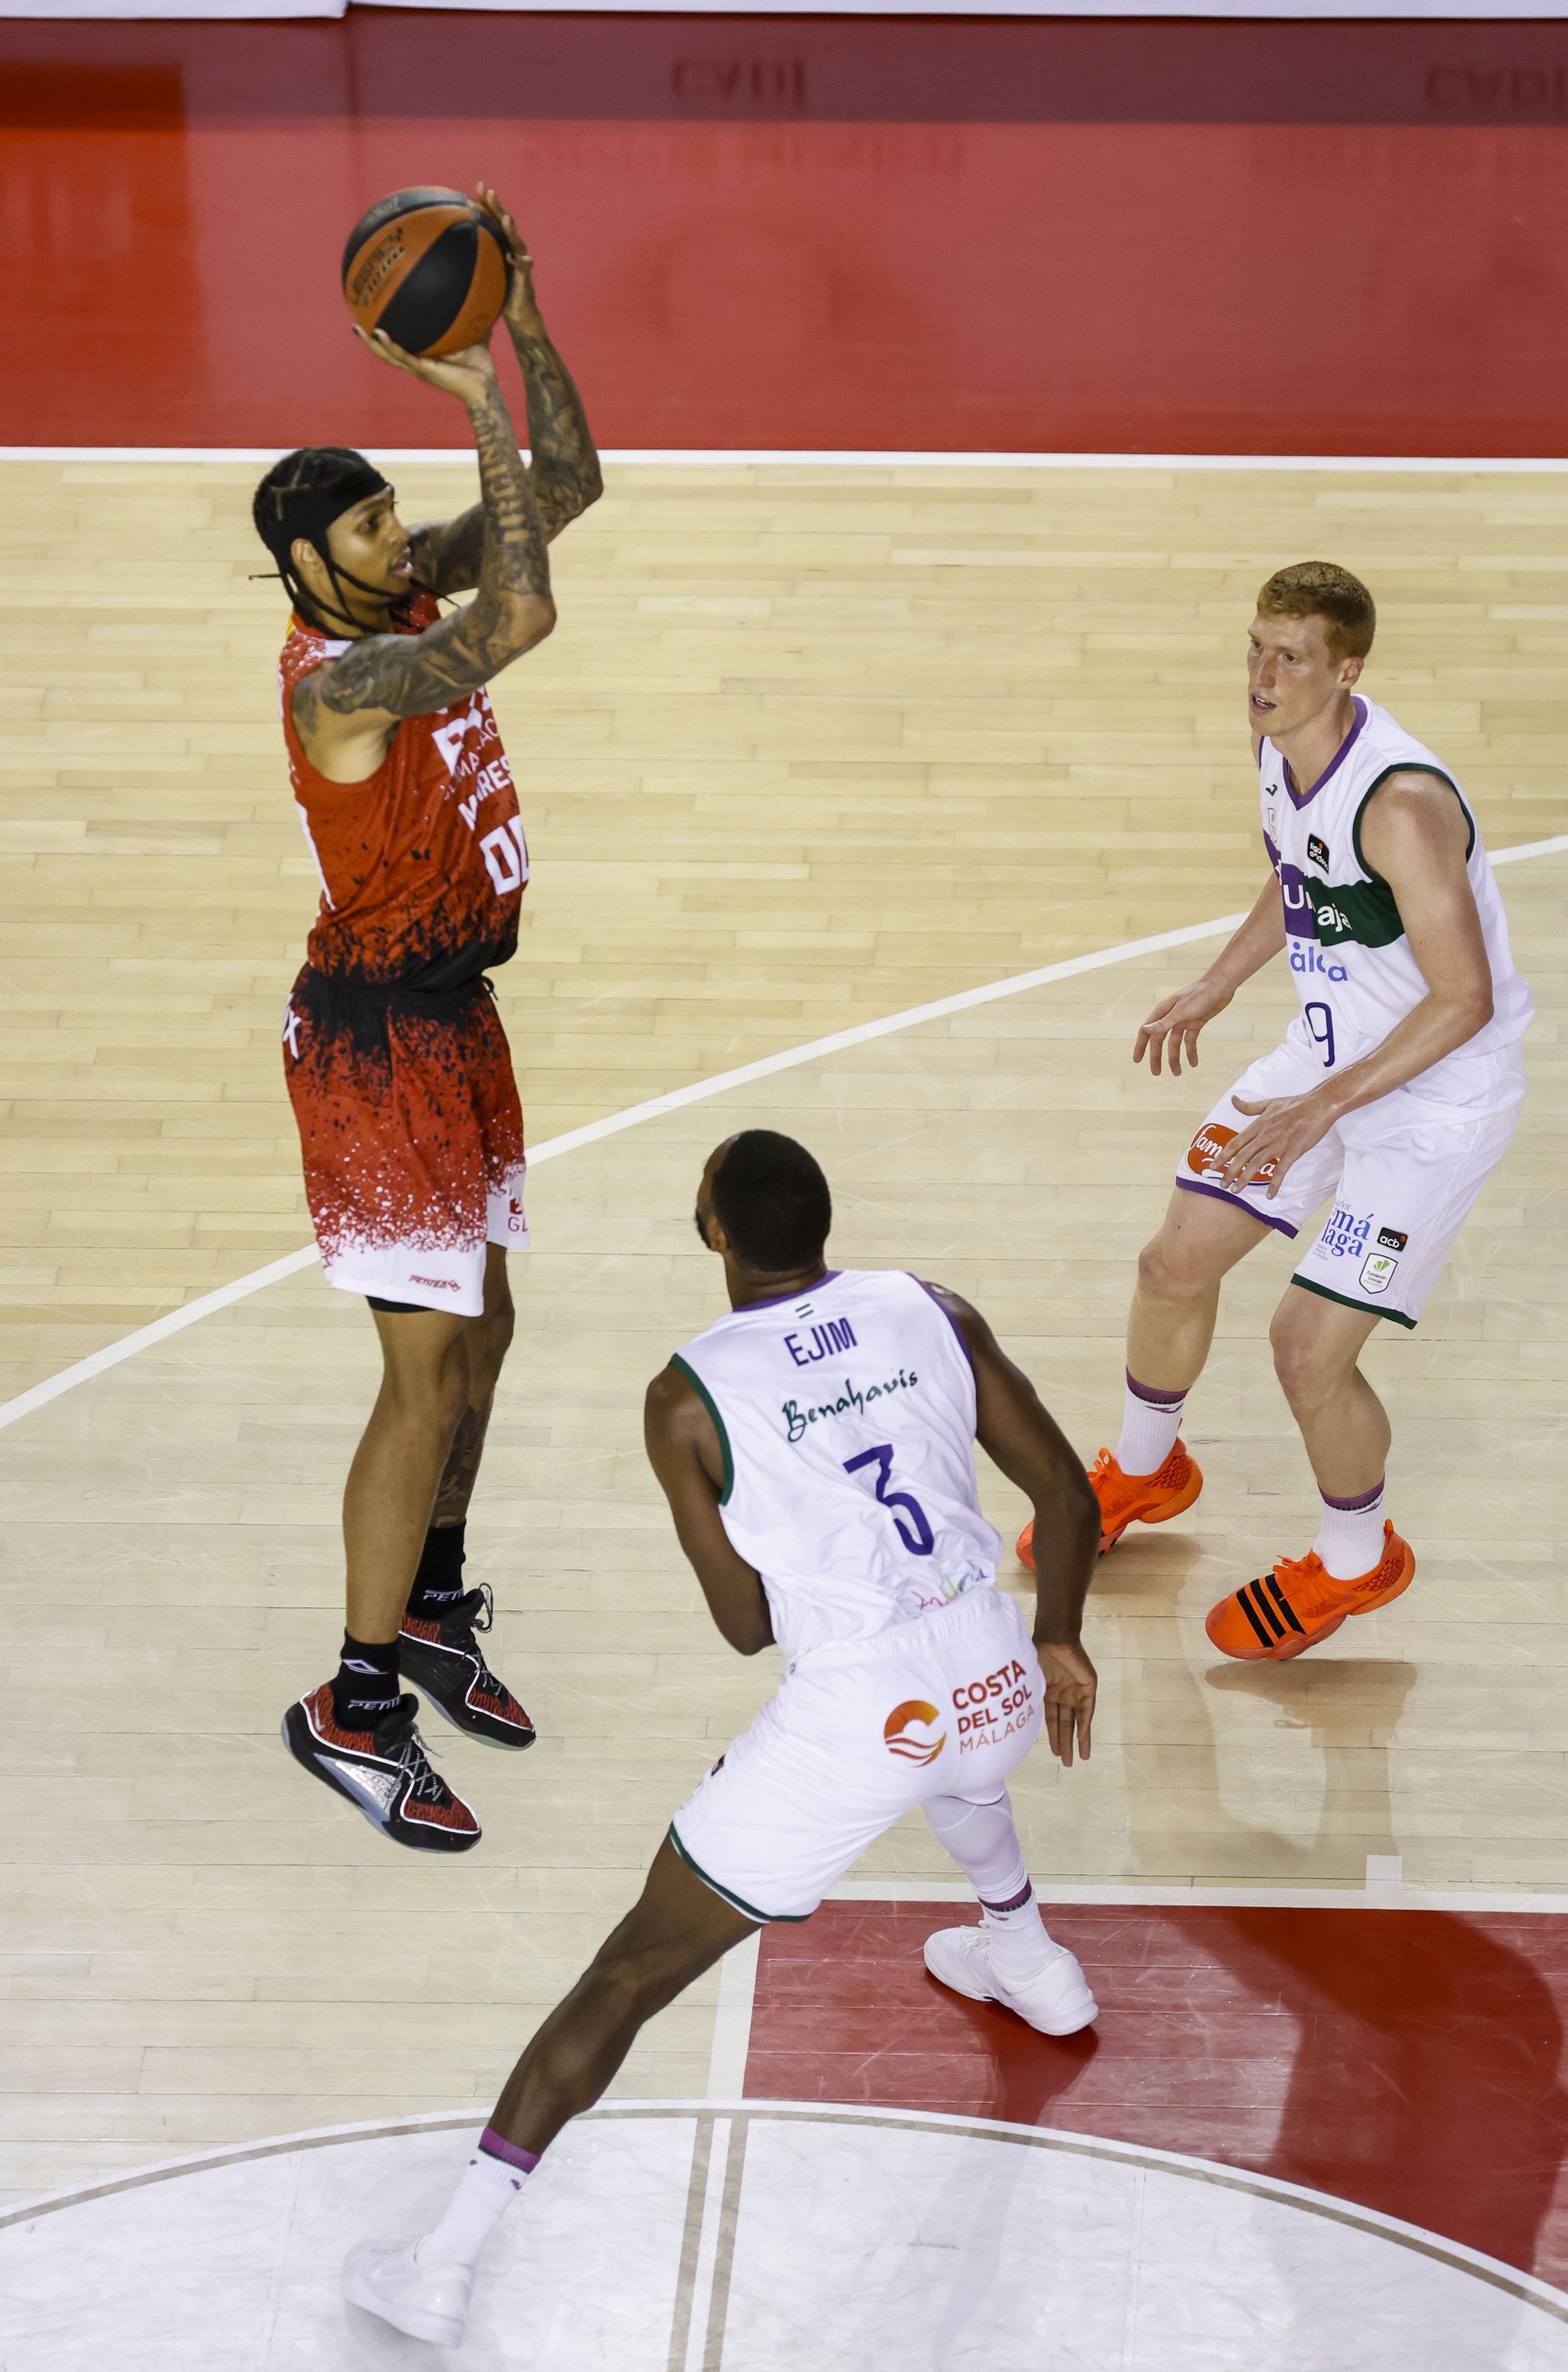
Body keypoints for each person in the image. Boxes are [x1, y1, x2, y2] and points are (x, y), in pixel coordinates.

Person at [341, 1129, 1103, 2346]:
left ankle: (441, 2263)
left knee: (630, 1971)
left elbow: (746, 1627)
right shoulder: (932, 1307)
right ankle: (1030, 1959)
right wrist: (1059, 1636)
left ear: (715, 1232)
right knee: (956, 1753)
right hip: (1001, 1677)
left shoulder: (685, 1397)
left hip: (868, 1717)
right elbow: (1067, 1492)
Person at [253, 189, 602, 1850]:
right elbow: (524, 612)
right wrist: (468, 397)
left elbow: (569, 489)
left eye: (403, 519)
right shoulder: (338, 687)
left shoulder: (394, 610)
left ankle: (436, 1599)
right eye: (378, 531)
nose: (405, 542)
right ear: (308, 564)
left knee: (490, 1334)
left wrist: (517, 316)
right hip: (376, 1047)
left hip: (458, 1020)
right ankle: (354, 1698)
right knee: (417, 1380)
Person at [1019, 562, 1532, 1662]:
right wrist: (1219, 980)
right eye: (1255, 646)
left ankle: (1357, 1560)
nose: (1262, 674)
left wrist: (1318, 1111)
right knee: (1174, 1261)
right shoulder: (1278, 746)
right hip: (1331, 1057)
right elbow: (1297, 868)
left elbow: (1465, 999)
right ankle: (1150, 1465)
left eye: (1290, 657)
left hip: (1436, 1098)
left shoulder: (1401, 806)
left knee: (1306, 1348)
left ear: (1347, 671)